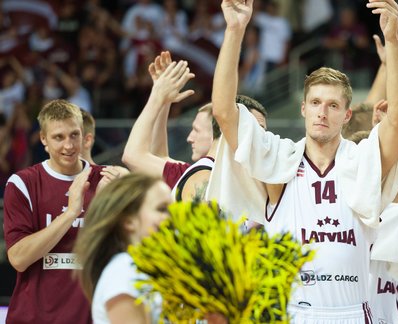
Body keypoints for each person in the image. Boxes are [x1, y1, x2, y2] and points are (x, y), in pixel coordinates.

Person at [207, 0, 398, 322]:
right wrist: (234, 31)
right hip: (295, 313)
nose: (322, 112)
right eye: (315, 102)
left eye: (332, 105)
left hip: (353, 312)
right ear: (303, 108)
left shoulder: (362, 161)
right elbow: (223, 111)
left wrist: (392, 43)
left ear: (346, 115)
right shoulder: (279, 163)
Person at [3, 99, 107, 323]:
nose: (68, 146)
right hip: (34, 318)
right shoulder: (23, 183)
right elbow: (19, 258)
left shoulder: (107, 181)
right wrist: (71, 213)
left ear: (83, 135)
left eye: (74, 135)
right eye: (58, 137)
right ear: (43, 139)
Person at [123, 51, 267, 201]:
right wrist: (165, 100)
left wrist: (158, 96)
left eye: (197, 130)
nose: (190, 138)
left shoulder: (196, 174)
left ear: (220, 131)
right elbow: (160, 157)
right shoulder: (249, 176)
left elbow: (132, 156)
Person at [74, 173, 171, 323]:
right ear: (129, 221)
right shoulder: (123, 272)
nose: (173, 216)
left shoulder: (146, 268)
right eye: (162, 209)